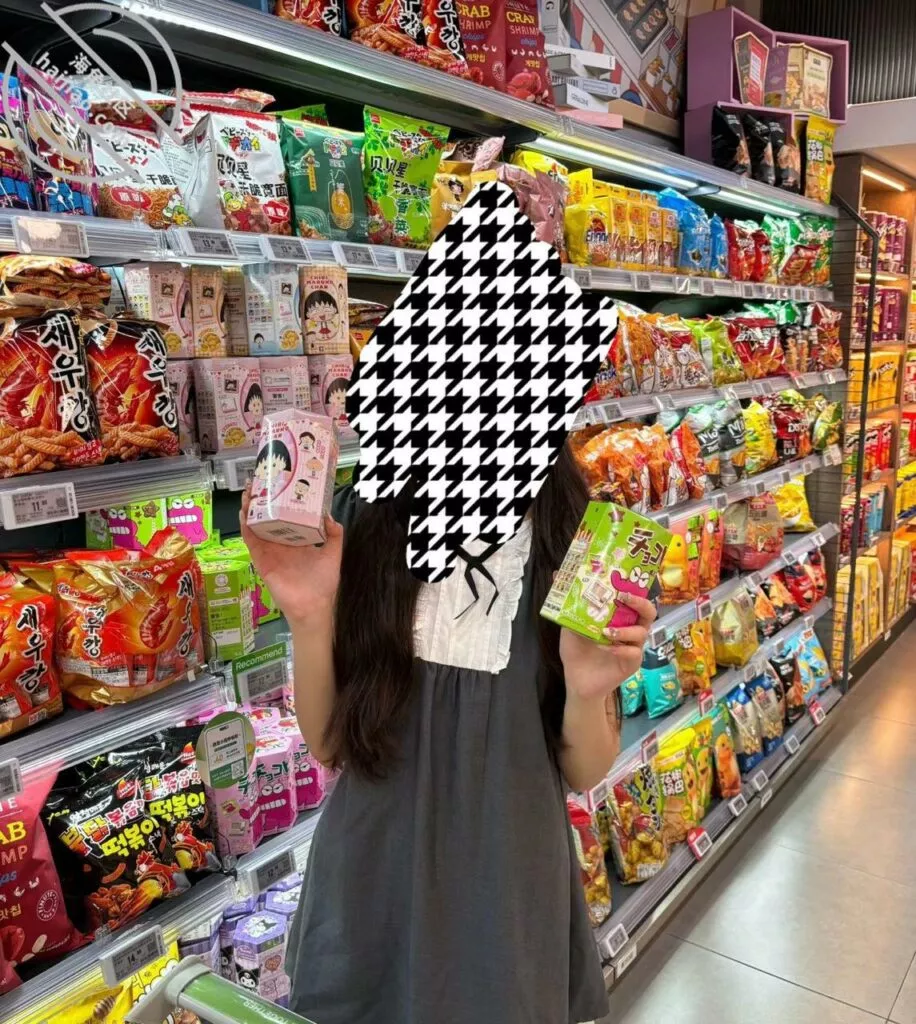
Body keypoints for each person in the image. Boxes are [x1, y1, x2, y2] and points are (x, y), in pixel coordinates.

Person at [241, 443, 656, 1024]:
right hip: (369, 879)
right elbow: (331, 744)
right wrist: (309, 619)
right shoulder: (365, 516)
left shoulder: (577, 535)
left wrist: (587, 691)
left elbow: (584, 769)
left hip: (507, 891)